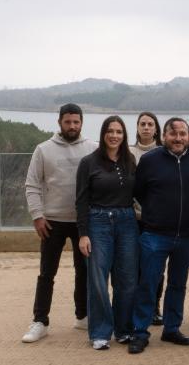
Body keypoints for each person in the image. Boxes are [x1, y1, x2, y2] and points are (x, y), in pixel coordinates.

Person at [128, 117, 189, 354]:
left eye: (182, 134)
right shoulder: (149, 160)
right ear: (163, 136)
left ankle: (172, 328)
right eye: (173, 134)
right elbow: (139, 192)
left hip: (188, 235)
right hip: (155, 234)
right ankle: (140, 332)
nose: (178, 138)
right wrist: (156, 212)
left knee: (178, 284)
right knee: (148, 283)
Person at [22, 103, 97, 343]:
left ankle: (82, 316)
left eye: (76, 122)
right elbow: (32, 184)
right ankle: (40, 321)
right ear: (60, 123)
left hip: (83, 222)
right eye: (68, 122)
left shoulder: (93, 148)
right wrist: (37, 215)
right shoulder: (43, 150)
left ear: (81, 123)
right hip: (52, 221)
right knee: (47, 273)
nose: (72, 126)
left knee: (83, 272)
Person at [76, 116, 138, 350]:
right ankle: (100, 332)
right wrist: (83, 234)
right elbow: (81, 201)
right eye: (110, 131)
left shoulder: (130, 160)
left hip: (127, 222)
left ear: (124, 135)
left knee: (128, 279)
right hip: (98, 222)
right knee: (98, 280)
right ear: (103, 134)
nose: (114, 135)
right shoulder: (88, 162)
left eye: (119, 132)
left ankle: (124, 329)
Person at [130, 111, 165, 326]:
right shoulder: (128, 152)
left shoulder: (164, 152)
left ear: (156, 129)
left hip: (158, 220)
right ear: (137, 127)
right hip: (133, 218)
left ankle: (154, 307)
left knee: (156, 267)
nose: (146, 127)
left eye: (150, 124)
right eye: (142, 124)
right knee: (134, 266)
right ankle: (134, 307)